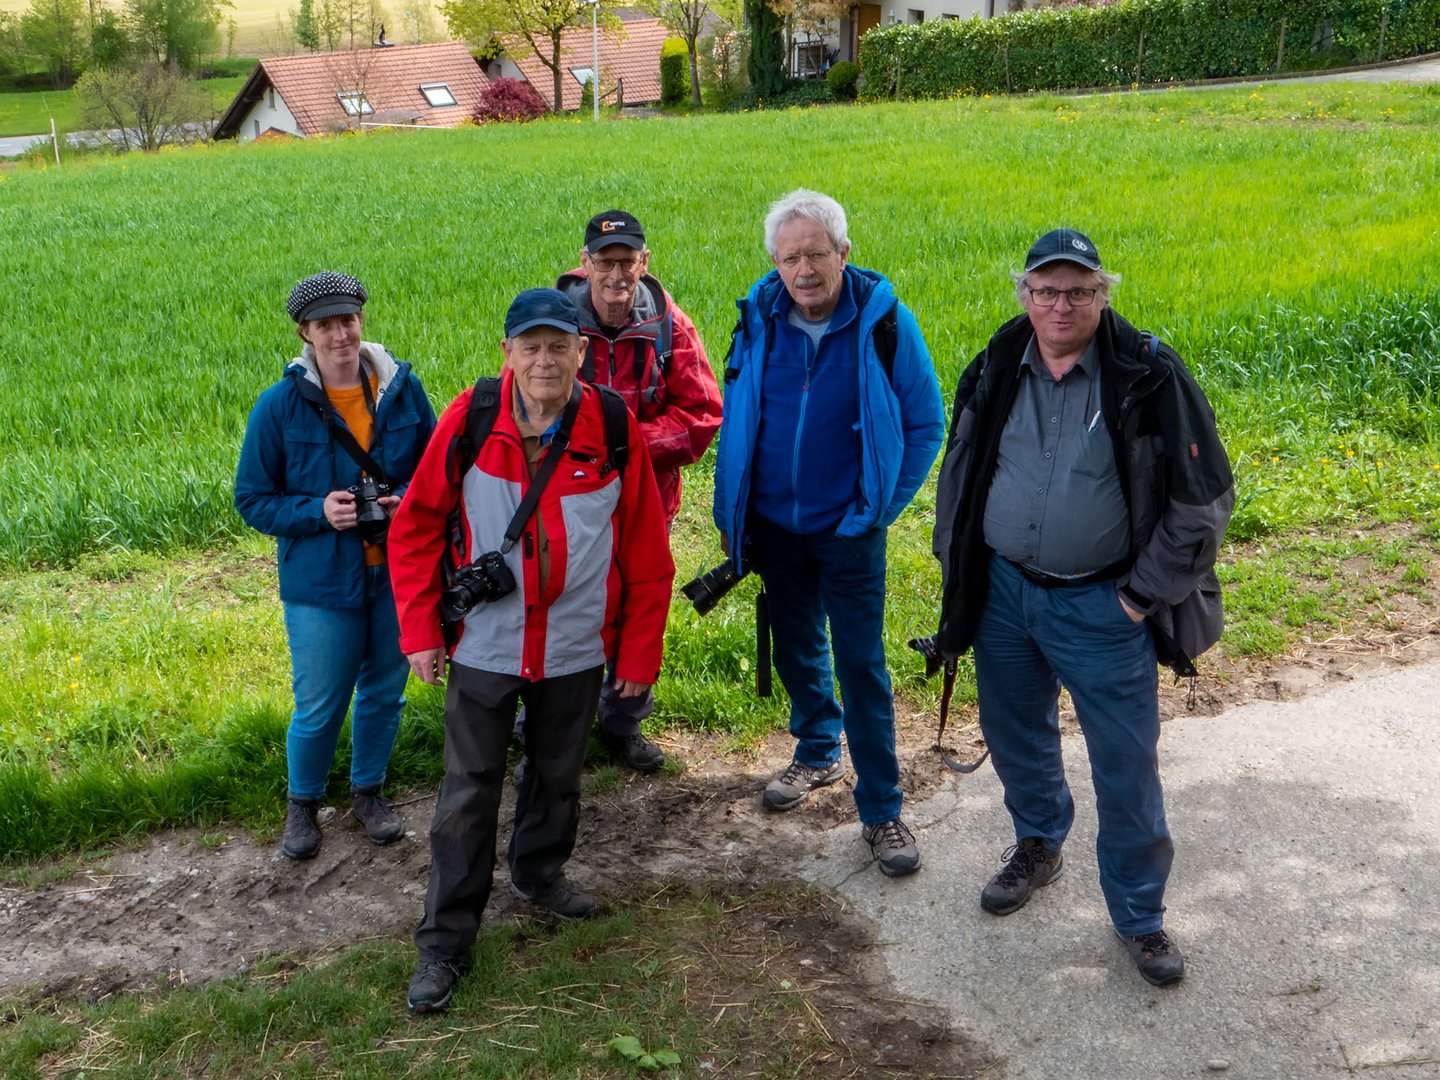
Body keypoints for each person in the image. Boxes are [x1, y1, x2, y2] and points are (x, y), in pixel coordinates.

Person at [930, 228, 1234, 986]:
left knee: (1126, 765)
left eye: (1079, 290)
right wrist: (960, 570)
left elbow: (1204, 505)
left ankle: (1140, 915)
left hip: (1105, 605)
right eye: (1045, 289)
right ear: (1024, 294)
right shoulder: (998, 361)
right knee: (1014, 731)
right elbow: (960, 472)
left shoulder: (1148, 374)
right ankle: (1039, 841)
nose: (1060, 304)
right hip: (1004, 595)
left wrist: (1138, 597)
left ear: (1104, 295)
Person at [387, 288, 674, 1014]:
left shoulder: (612, 426)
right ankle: (445, 944)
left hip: (576, 648)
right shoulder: (471, 418)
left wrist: (639, 657)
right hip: (487, 645)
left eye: (559, 345)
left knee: (558, 775)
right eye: (531, 346)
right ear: (508, 354)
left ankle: (539, 875)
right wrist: (420, 631)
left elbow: (647, 553)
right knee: (466, 794)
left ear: (581, 351)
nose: (545, 359)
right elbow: (416, 527)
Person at [711, 189, 945, 877]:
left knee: (862, 665)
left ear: (844, 253)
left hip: (849, 533)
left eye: (816, 253)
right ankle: (817, 748)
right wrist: (738, 515)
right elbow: (740, 414)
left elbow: (925, 424)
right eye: (790, 257)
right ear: (775, 264)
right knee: (795, 648)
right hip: (775, 527)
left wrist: (877, 510)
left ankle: (882, 809)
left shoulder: (885, 325)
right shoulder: (758, 321)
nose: (803, 269)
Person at [235, 271, 436, 861]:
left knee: (384, 693)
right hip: (321, 582)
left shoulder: (403, 390)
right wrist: (319, 510)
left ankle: (368, 793)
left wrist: (405, 499)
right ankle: (303, 805)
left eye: (346, 320)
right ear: (305, 332)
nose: (339, 333)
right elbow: (252, 498)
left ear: (360, 321)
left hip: (396, 574)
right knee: (320, 702)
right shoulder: (279, 407)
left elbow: (433, 470)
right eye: (325, 325)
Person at [512, 208, 720, 774]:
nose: (616, 275)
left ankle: (623, 722)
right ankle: (541, 726)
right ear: (585, 265)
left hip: (645, 504)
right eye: (605, 262)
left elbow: (702, 414)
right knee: (556, 606)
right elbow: (521, 406)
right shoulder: (554, 325)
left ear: (643, 263)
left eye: (627, 262)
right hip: (562, 506)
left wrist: (625, 448)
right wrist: (593, 454)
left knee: (635, 608)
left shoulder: (670, 326)